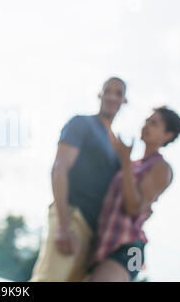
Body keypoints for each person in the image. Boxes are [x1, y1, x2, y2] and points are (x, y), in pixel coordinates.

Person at [30, 77, 127, 282]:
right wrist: (64, 226)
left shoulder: (117, 146)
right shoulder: (82, 123)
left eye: (118, 93)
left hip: (93, 235)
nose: (111, 96)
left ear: (124, 100)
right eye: (107, 90)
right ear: (99, 94)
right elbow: (60, 168)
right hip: (72, 218)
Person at [87, 106, 180, 281]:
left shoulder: (161, 168)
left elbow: (133, 208)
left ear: (167, 135)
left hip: (130, 250)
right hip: (103, 247)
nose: (146, 125)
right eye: (147, 121)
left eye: (154, 123)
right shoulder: (133, 164)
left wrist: (124, 161)